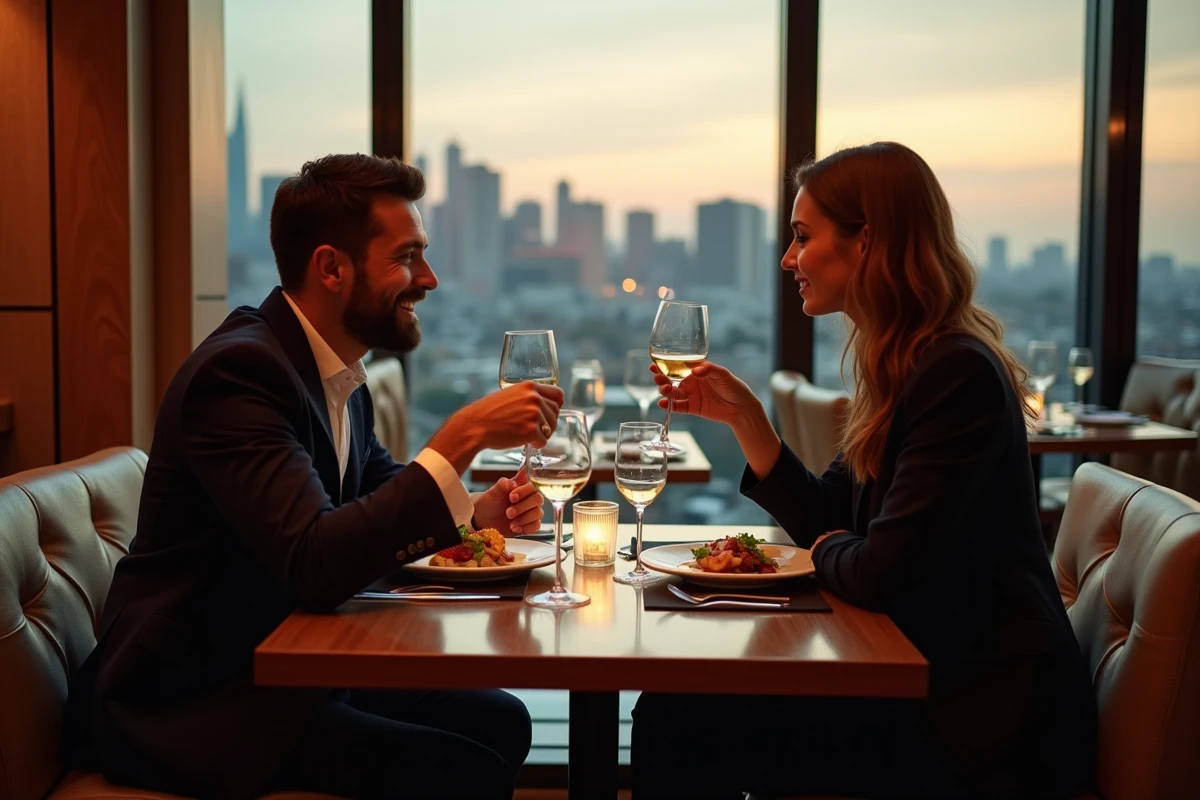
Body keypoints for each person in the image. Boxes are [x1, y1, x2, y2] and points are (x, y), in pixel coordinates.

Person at [65, 154, 562, 799]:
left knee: (502, 719)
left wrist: (474, 512)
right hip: (197, 701)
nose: (430, 278)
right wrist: (463, 435)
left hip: (286, 673)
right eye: (407, 257)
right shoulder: (240, 376)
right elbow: (315, 560)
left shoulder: (335, 371)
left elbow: (377, 501)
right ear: (331, 267)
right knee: (464, 768)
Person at [631, 142, 1097, 798]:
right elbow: (836, 523)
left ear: (867, 243)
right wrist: (749, 423)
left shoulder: (953, 373)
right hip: (926, 677)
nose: (789, 259)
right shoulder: (906, 365)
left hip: (982, 714)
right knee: (678, 708)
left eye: (802, 237)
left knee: (678, 717)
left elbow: (879, 571)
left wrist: (828, 550)